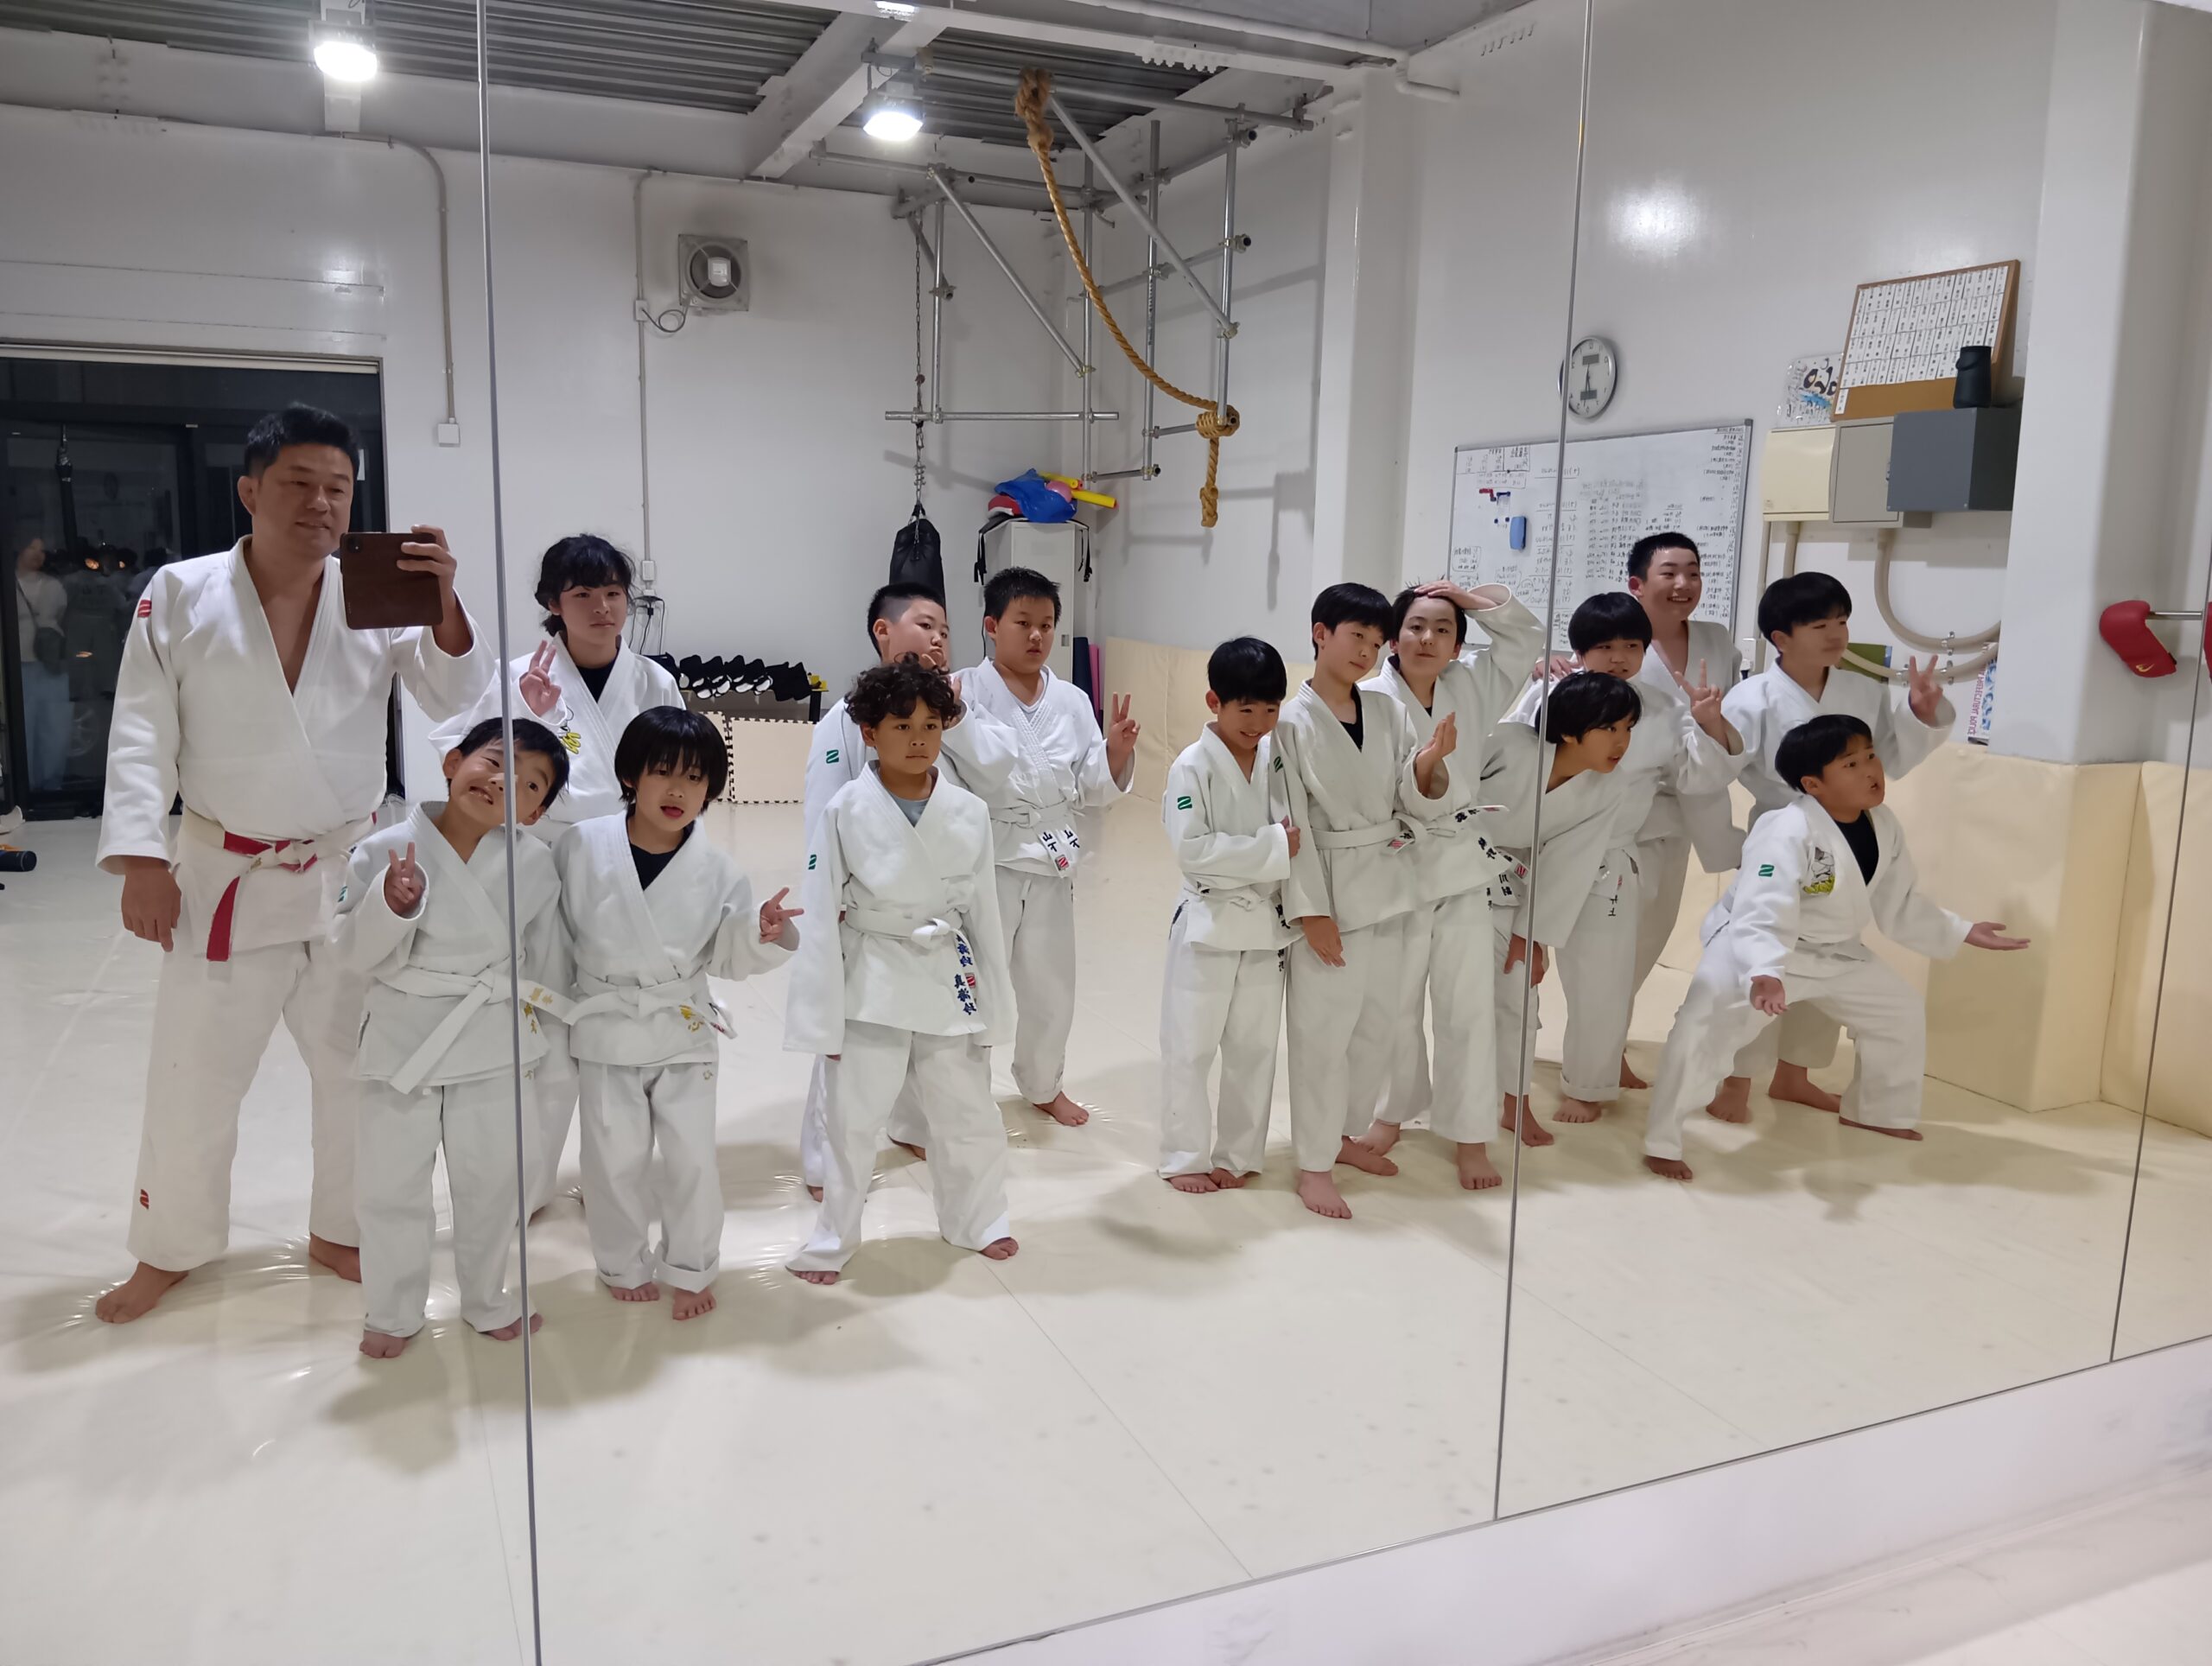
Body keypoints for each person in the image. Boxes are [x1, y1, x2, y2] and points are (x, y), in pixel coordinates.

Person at [95, 403, 488, 1324]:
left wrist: (444, 600)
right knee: (194, 1076)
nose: (320, 503)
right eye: (298, 483)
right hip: (221, 874)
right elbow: (142, 727)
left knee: (356, 1068)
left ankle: (342, 1228)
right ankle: (170, 1246)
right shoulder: (182, 592)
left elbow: (453, 696)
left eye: (337, 488)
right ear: (250, 490)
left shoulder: (377, 590)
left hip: (344, 871)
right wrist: (141, 858)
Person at [1643, 715, 2027, 1180]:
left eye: (1871, 756)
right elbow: (1762, 906)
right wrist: (1765, 969)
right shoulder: (1785, 830)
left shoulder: (1882, 824)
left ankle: (1877, 1111)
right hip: (1755, 947)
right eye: (1851, 764)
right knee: (1701, 1030)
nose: (1871, 770)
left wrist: (1962, 930)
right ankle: (1663, 1141)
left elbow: (1900, 902)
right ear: (1813, 784)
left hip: (1835, 951)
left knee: (1898, 1011)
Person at [435, 533, 682, 1216]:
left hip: (630, 863)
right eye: (583, 594)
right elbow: (469, 764)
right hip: (543, 864)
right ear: (553, 603)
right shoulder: (517, 676)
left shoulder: (654, 681)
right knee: (543, 1032)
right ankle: (525, 1188)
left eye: (614, 593)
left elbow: (679, 779)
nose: (603, 608)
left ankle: (616, 1181)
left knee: (623, 1033)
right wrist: (529, 716)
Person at [331, 717, 571, 1358]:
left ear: (537, 812)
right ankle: (392, 1310)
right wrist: (392, 904)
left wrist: (551, 1045)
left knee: (493, 1184)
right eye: (493, 762)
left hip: (493, 1039)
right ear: (452, 762)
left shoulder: (535, 864)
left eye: (529, 784)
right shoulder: (381, 850)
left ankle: (488, 1296)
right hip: (402, 1042)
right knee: (389, 1186)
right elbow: (349, 952)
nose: (502, 783)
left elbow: (548, 962)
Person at [555, 709, 800, 1320]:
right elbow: (553, 936)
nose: (677, 791)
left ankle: (691, 1265)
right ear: (630, 775)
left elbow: (726, 954)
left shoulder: (718, 870)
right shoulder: (581, 846)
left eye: (694, 778)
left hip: (681, 1026)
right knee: (612, 1159)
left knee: (692, 1159)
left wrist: (761, 931)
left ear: (711, 788)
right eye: (662, 771)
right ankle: (621, 1262)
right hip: (606, 1025)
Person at [785, 661, 1018, 1283]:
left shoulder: (969, 810)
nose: (918, 739)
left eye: (931, 725)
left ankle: (979, 1219)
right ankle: (834, 1236)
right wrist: (821, 1019)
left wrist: (997, 1004)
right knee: (853, 1121)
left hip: (945, 973)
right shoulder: (845, 809)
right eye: (902, 726)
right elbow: (820, 914)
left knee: (968, 1112)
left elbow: (985, 914)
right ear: (869, 733)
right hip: (872, 977)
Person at [1719, 572, 1954, 1122]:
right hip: (1781, 832)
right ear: (1781, 637)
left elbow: (1888, 760)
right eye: (1820, 624)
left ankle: (1794, 1075)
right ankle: (1735, 1079)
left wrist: (1920, 714)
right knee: (1768, 954)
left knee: (1831, 952)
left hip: (1847, 834)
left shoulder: (1864, 691)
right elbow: (1717, 767)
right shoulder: (1750, 698)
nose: (1836, 634)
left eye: (1842, 621)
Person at [1510, 594, 1742, 1124]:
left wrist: (1710, 725)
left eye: (1632, 646)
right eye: (1605, 647)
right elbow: (1513, 762)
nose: (1619, 657)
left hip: (1609, 858)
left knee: (1605, 980)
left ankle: (1587, 1085)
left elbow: (1696, 777)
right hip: (1536, 851)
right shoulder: (1546, 694)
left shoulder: (1661, 710)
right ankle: (1508, 1080)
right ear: (1579, 651)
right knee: (1515, 974)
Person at [1357, 579, 1548, 1190]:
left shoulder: (1471, 684)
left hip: (1463, 864)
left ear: (1459, 644)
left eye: (1443, 630)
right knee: (1394, 1003)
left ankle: (1470, 1134)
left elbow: (1524, 639)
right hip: (1397, 861)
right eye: (1415, 626)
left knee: (1468, 1005)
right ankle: (1391, 1111)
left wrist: (1469, 597)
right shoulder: (1369, 698)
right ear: (1393, 638)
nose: (1428, 639)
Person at [1275, 582, 1457, 1218]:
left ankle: (1344, 1135)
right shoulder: (1288, 723)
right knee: (1323, 1033)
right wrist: (1312, 910)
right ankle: (1313, 1163)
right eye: (1357, 636)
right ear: (1320, 633)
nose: (1367, 652)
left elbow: (1410, 791)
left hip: (1390, 881)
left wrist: (1429, 762)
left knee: (1378, 1026)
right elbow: (1290, 820)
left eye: (1377, 642)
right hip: (1329, 884)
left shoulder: (1387, 710)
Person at [957, 567, 1139, 1128]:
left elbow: (1091, 785)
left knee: (1052, 986)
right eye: (1023, 623)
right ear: (992, 626)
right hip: (987, 857)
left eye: (1047, 624)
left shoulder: (1072, 700)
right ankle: (963, 1094)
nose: (1037, 635)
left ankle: (1042, 1084)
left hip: (1053, 857)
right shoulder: (963, 691)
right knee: (979, 981)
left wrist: (1113, 753)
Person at [1157, 637, 1298, 1193]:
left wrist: (1278, 849)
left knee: (1254, 1050)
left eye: (1271, 709)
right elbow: (1193, 851)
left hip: (1265, 926)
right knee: (1190, 1047)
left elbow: (1298, 829)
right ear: (1214, 701)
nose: (1259, 723)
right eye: (1246, 709)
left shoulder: (1276, 758)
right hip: (1208, 924)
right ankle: (1184, 1156)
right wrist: (1274, 847)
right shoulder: (1191, 767)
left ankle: (1239, 1156)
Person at [1480, 671, 1640, 1148]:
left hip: (1506, 883)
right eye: (1609, 728)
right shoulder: (1507, 744)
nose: (1622, 742)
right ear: (1570, 731)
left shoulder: (1610, 786)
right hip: (1436, 871)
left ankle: (1516, 1105)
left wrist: (1531, 936)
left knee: (1519, 992)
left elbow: (1569, 862)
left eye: (1628, 728)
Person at [1625, 533, 1746, 993]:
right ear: (1637, 584)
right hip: (1629, 811)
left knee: (1652, 934)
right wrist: (1549, 667)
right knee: (1617, 943)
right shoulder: (1618, 640)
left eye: (1693, 573)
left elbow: (1735, 715)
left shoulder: (1716, 639)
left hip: (1690, 808)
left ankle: (1611, 1031)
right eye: (1670, 573)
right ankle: (1601, 1035)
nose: (1684, 584)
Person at [14, 536, 71, 794]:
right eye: (32, 548)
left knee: (54, 725)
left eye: (42, 550)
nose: (39, 554)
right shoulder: (8, 583)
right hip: (19, 665)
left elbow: (62, 616)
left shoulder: (53, 585)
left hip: (51, 663)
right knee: (23, 726)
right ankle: (24, 783)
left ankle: (51, 782)